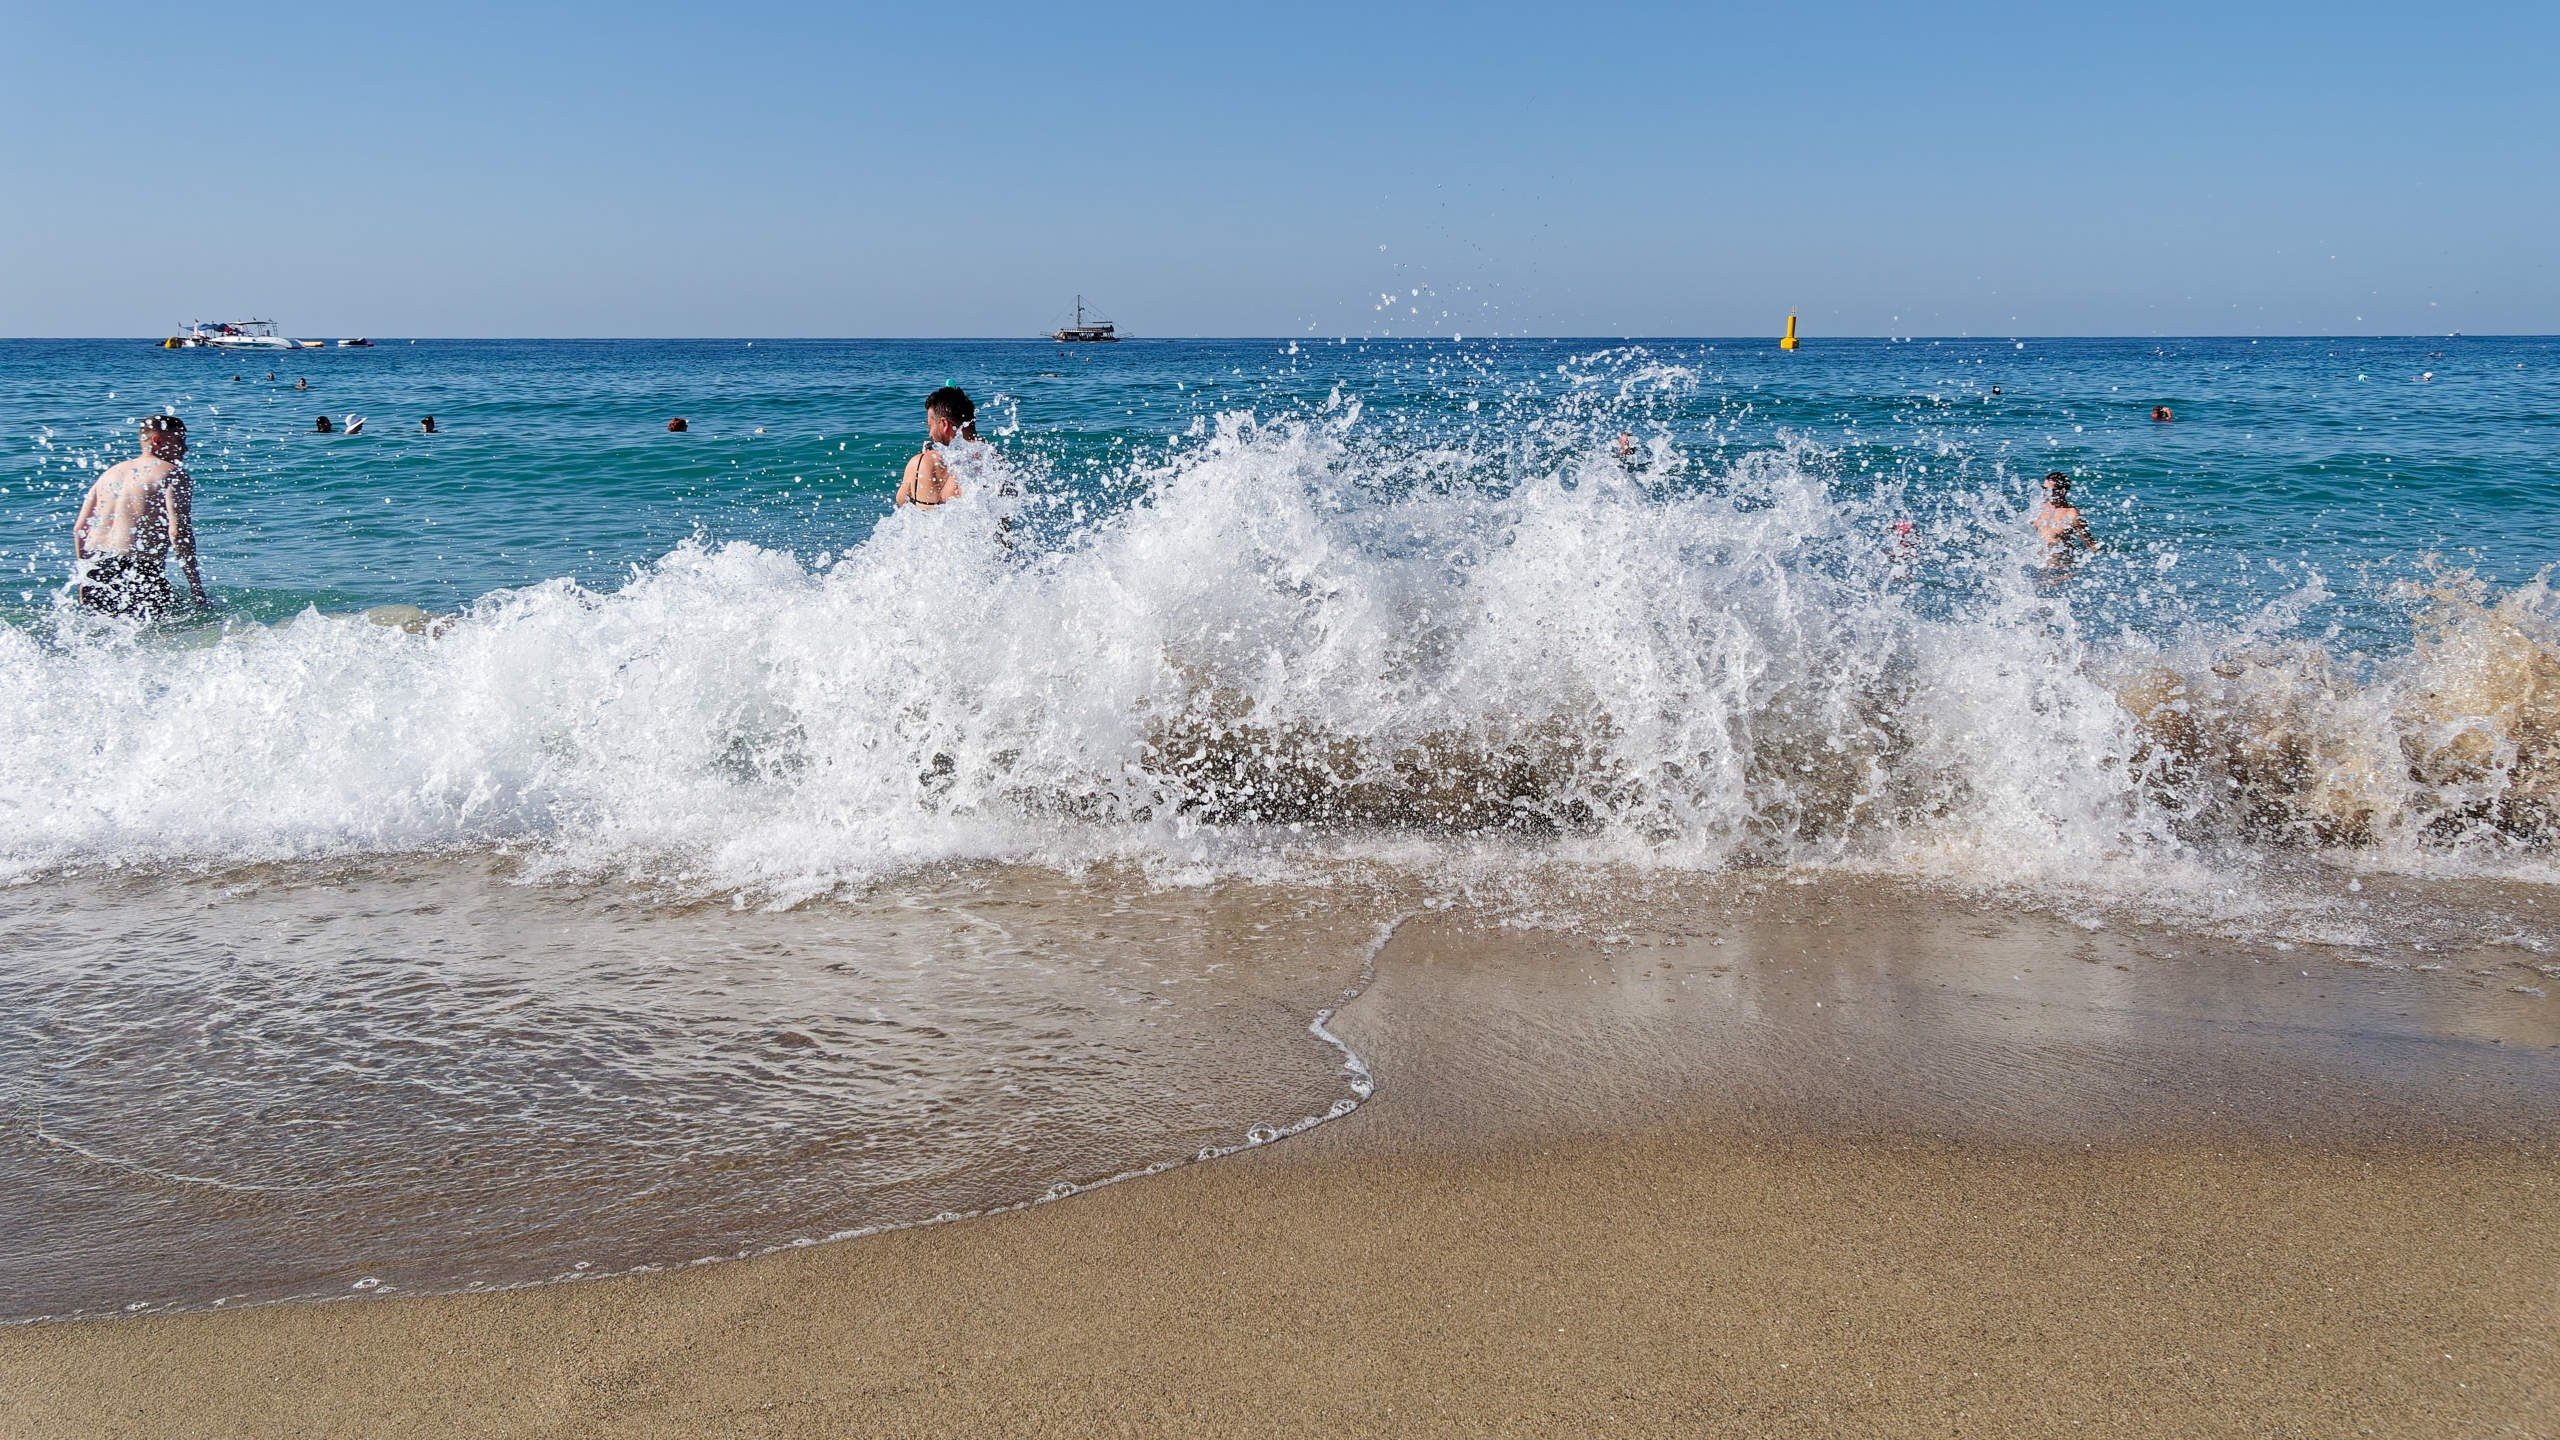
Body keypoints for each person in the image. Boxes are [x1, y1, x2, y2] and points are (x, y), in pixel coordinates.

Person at [72, 415, 208, 617]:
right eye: (180, 440)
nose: (185, 448)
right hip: (138, 570)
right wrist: (195, 586)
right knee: (174, 630)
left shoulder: (110, 473)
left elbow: (80, 529)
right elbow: (178, 532)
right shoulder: (172, 474)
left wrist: (85, 578)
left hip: (97, 569)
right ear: (157, 440)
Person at [896, 386, 982, 508]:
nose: (930, 434)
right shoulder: (994, 460)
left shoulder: (919, 463)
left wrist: (924, 461)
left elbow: (902, 502)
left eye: (930, 426)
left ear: (944, 424)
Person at [2033, 471, 2098, 565]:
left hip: (2061, 568)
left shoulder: (2072, 515)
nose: (2044, 493)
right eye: (2043, 488)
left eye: (2049, 490)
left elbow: (2090, 544)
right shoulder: (2039, 508)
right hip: (2039, 565)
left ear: (2063, 491)